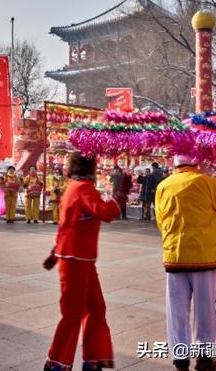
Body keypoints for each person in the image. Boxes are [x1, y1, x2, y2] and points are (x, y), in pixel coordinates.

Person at [155, 155, 216, 371]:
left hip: (175, 256)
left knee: (176, 310)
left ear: (175, 164)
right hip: (203, 258)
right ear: (197, 163)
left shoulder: (163, 186)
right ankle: (204, 358)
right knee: (205, 310)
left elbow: (160, 221)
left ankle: (180, 358)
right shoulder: (207, 183)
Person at [43, 151, 121, 371]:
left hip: (79, 259)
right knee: (73, 314)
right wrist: (121, 195)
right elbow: (105, 212)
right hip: (76, 261)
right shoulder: (83, 189)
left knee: (96, 309)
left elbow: (67, 224)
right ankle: (56, 363)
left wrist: (54, 252)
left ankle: (92, 361)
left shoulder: (75, 187)